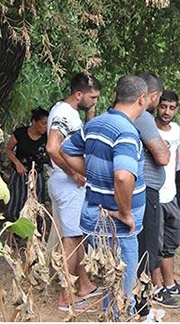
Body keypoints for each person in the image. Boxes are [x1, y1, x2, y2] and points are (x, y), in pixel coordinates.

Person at [61, 74, 148, 315]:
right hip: (117, 225)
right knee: (122, 291)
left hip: (93, 217)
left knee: (109, 285)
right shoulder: (126, 132)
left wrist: (94, 175)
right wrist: (125, 212)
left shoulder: (96, 123)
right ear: (141, 99)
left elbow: (67, 150)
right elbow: (122, 176)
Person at [45, 72, 101, 312]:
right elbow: (52, 147)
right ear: (79, 94)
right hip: (68, 185)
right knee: (72, 241)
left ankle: (84, 285)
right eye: (92, 97)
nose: (95, 102)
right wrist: (73, 173)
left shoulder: (71, 113)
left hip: (68, 184)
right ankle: (65, 296)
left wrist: (89, 114)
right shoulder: (64, 114)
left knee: (76, 236)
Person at [132, 73, 176, 313]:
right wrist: (165, 148)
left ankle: (137, 298)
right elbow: (161, 156)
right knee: (147, 246)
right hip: (146, 189)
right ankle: (142, 303)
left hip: (138, 188)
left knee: (137, 244)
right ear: (154, 96)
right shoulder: (144, 118)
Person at [153, 90, 180, 304]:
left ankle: (170, 284)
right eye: (163, 106)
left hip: (171, 195)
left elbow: (176, 160)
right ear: (156, 106)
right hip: (154, 196)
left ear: (176, 109)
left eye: (171, 107)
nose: (167, 111)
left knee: (171, 242)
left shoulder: (177, 131)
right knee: (155, 245)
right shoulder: (148, 129)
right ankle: (156, 288)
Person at [4, 107, 49, 226]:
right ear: (34, 122)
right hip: (20, 173)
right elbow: (8, 150)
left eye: (47, 124)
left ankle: (36, 228)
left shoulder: (46, 137)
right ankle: (14, 227)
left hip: (36, 173)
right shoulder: (20, 133)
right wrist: (17, 163)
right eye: (43, 123)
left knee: (37, 200)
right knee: (17, 199)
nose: (45, 127)